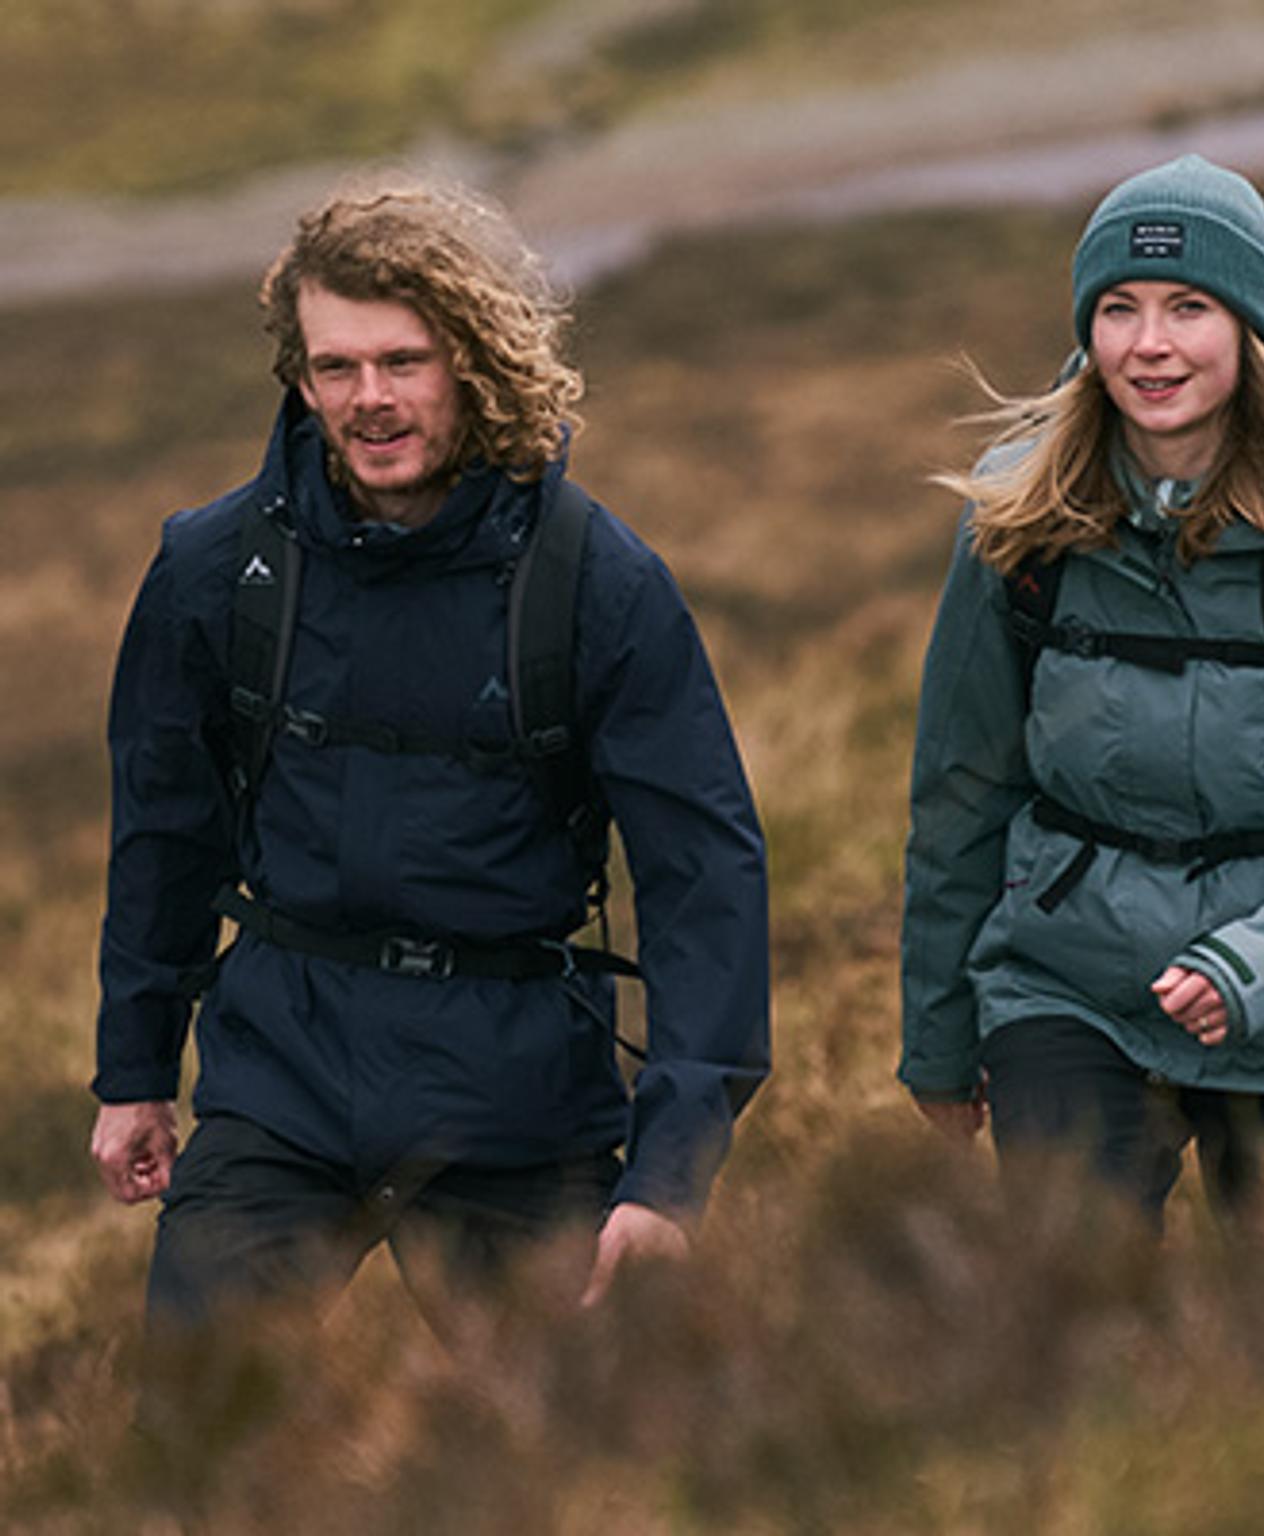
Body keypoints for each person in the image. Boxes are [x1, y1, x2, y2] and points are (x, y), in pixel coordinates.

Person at [90, 179, 770, 1334]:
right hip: (280, 1083)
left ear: (474, 359)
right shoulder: (212, 571)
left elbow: (705, 879)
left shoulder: (599, 585)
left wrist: (669, 1176)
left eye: (404, 361)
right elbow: (164, 834)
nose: (370, 400)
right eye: (336, 367)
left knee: (584, 1472)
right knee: (191, 1450)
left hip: (518, 1100)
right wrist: (135, 1072)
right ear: (298, 378)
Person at [900, 155, 1264, 1218]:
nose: (1148, 343)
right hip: (1063, 989)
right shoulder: (1017, 525)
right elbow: (960, 794)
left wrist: (1254, 967)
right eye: (1118, 307)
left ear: (1249, 328)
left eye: (1188, 307)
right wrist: (937, 1042)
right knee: (1068, 1333)